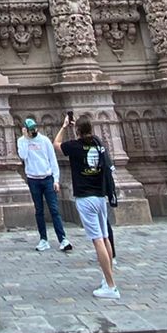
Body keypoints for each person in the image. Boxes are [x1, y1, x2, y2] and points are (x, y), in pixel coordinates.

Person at [57, 113, 120, 299]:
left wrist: (64, 126)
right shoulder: (98, 144)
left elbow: (56, 144)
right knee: (105, 237)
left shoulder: (75, 147)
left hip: (86, 198)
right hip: (100, 197)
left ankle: (110, 286)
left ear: (77, 130)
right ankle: (108, 277)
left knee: (97, 240)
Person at [17, 118, 71, 253]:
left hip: (47, 178)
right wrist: (25, 139)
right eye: (30, 131)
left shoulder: (44, 140)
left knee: (54, 209)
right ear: (25, 130)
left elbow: (52, 159)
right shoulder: (22, 141)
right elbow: (23, 156)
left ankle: (62, 239)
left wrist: (56, 179)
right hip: (33, 179)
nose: (33, 133)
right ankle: (43, 239)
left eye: (34, 130)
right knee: (39, 210)